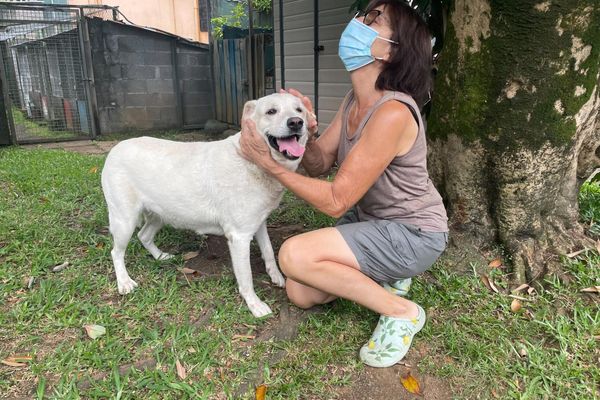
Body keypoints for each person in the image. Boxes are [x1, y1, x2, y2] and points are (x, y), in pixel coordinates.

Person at [239, 0, 448, 368]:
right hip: (372, 223)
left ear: (390, 50)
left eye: (373, 18)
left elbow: (336, 200)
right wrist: (305, 131)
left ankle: (402, 311)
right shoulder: (355, 100)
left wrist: (268, 165)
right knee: (299, 291)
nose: (358, 21)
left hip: (414, 232)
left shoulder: (393, 113)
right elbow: (319, 164)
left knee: (294, 255)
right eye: (363, 14)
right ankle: (389, 276)